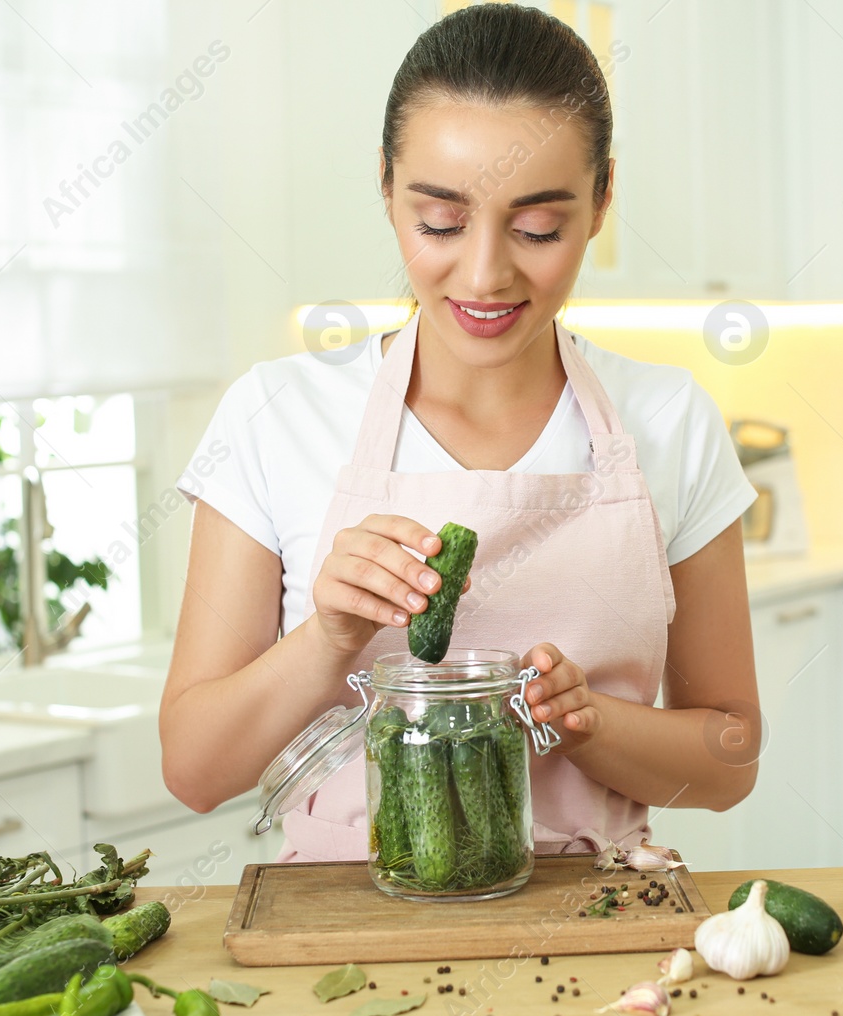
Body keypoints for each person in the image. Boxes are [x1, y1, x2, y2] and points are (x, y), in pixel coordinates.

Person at [160, 3, 760, 861]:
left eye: (537, 228)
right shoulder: (274, 414)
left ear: (601, 201)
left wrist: (585, 722)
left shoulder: (670, 419)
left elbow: (729, 763)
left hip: (595, 936)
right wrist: (328, 638)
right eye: (439, 220)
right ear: (384, 184)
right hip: (344, 949)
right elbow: (193, 769)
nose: (484, 273)